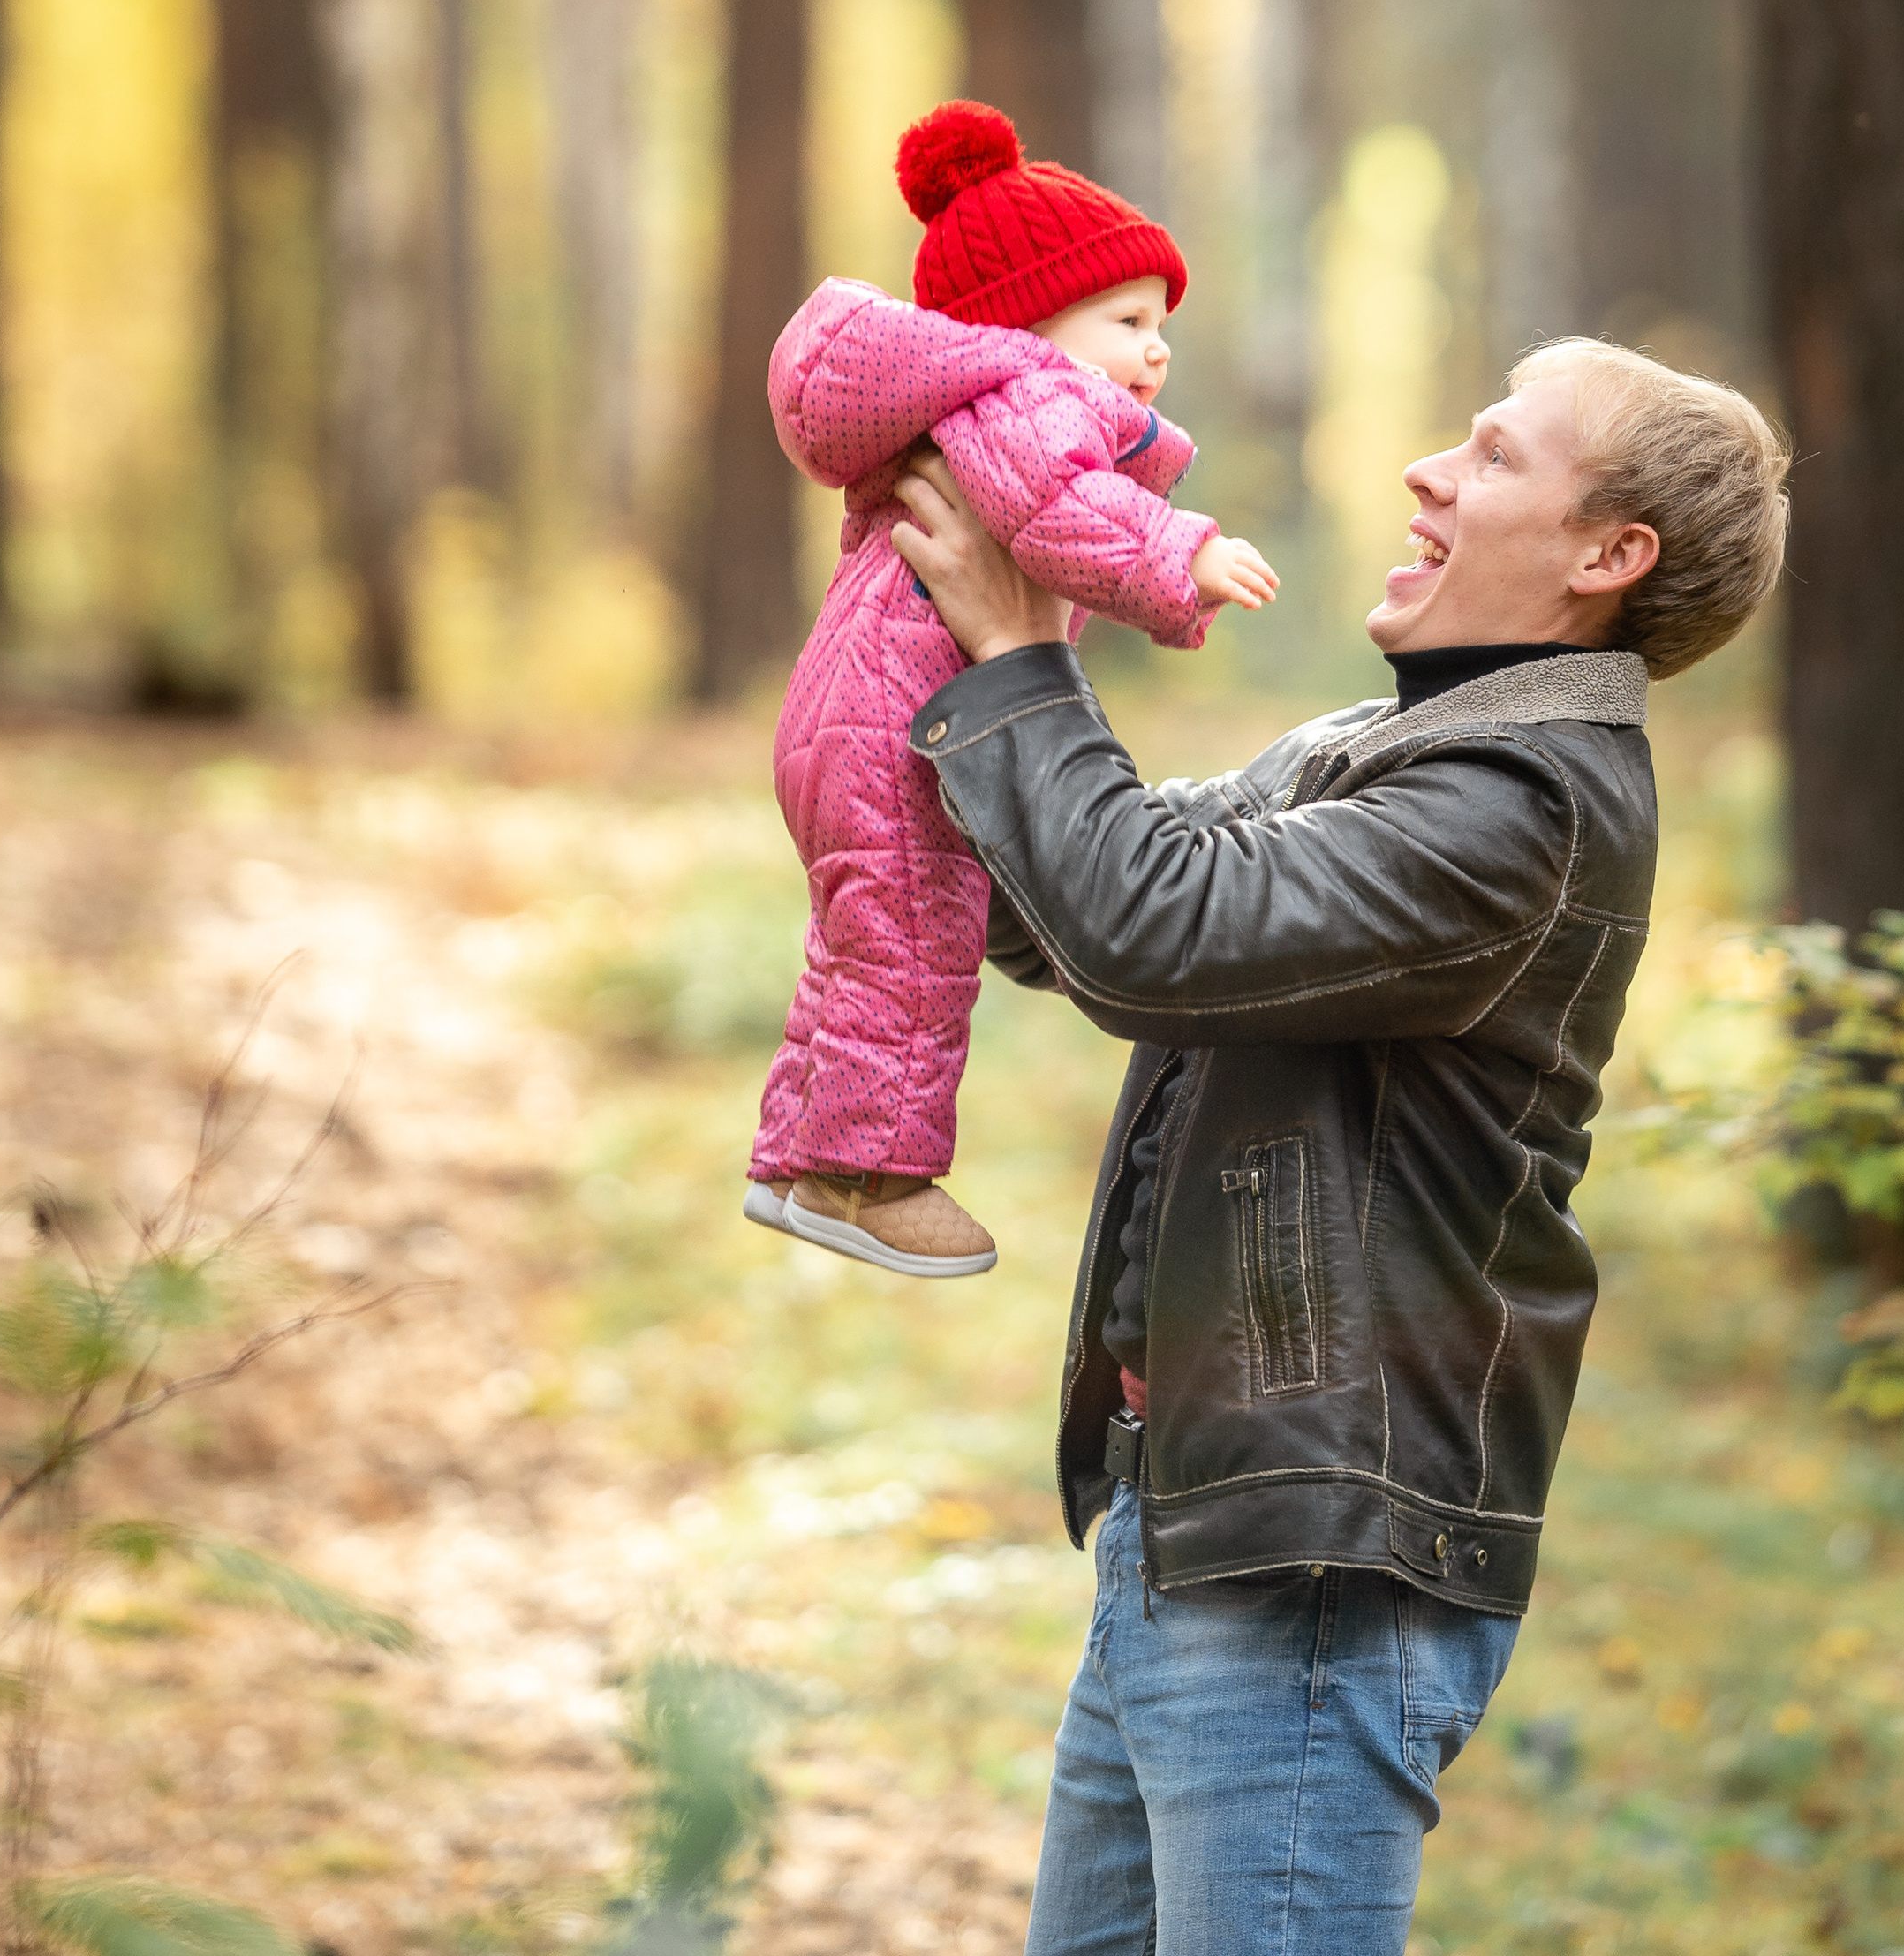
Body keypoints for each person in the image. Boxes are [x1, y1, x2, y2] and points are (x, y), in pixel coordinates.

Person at [888, 334, 1790, 1953]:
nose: (1430, 473)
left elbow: (1149, 930)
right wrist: (910, 655)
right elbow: (1075, 915)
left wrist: (1024, 665)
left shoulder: (1525, 806)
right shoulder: (1366, 753)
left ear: (1609, 557)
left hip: (1320, 1563)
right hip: (1204, 1516)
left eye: (1498, 456)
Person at [744, 100, 1280, 1281]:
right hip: (900, 718)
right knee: (918, 939)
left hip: (847, 708)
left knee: (856, 936)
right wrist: (1179, 557)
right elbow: (1060, 515)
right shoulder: (1029, 396)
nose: (1157, 350)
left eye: (1163, 327)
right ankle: (872, 1173)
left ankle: (797, 1158)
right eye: (1129, 319)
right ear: (1031, 318)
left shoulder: (975, 401)